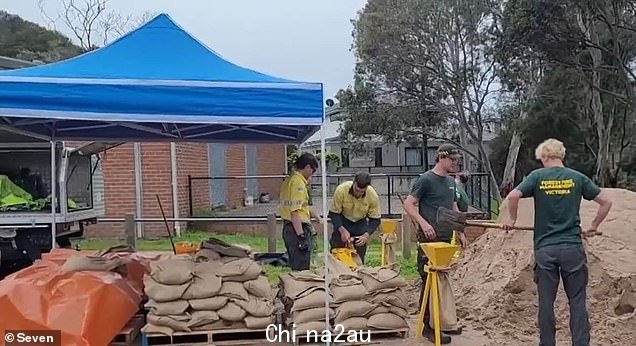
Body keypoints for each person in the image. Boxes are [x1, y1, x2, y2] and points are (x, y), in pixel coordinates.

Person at [503, 138, 612, 346]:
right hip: (572, 247)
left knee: (546, 303)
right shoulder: (577, 178)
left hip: (545, 249)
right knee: (577, 301)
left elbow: (513, 195)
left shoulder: (536, 177)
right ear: (561, 156)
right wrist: (594, 226)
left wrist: (512, 220)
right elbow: (606, 201)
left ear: (544, 156)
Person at [403, 144, 467, 344]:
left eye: (457, 160)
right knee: (428, 282)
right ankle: (428, 327)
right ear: (442, 158)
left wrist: (460, 231)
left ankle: (441, 323)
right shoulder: (426, 180)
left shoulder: (450, 182)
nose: (456, 163)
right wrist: (423, 223)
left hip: (445, 238)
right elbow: (409, 203)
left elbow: (453, 207)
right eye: (453, 160)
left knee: (440, 282)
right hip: (429, 240)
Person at [328, 172, 381, 263]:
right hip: (342, 219)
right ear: (354, 182)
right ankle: (335, 270)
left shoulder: (373, 196)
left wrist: (366, 235)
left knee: (359, 249)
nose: (358, 194)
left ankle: (358, 271)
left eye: (362, 191)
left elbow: (375, 219)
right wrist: (341, 230)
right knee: (337, 247)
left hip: (360, 222)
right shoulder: (341, 190)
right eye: (356, 190)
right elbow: (333, 213)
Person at [280, 152, 319, 271]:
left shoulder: (290, 179)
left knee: (296, 264)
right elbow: (295, 212)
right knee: (301, 267)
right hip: (297, 228)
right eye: (313, 171)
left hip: (289, 227)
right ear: (307, 167)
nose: (312, 175)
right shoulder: (298, 183)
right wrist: (301, 236)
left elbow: (304, 206)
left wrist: (318, 218)